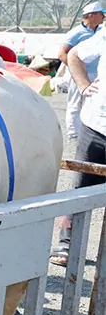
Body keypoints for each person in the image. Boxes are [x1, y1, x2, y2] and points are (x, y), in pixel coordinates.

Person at [52, 29, 105, 266]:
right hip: (98, 126)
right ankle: (67, 244)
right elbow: (73, 55)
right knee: (81, 189)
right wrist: (83, 85)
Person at [58, 2, 105, 139]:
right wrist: (76, 71)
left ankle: (86, 131)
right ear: (91, 15)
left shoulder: (100, 31)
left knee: (91, 103)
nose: (103, 17)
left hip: (96, 74)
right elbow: (62, 54)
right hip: (79, 74)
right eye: (101, 14)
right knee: (75, 104)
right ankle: (73, 134)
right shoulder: (76, 33)